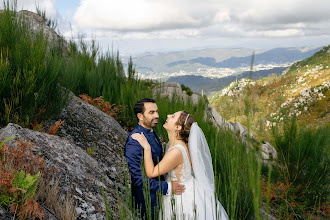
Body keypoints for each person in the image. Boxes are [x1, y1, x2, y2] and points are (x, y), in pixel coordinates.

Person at [132, 110, 229, 220]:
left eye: (172, 116)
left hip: (180, 196)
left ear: (178, 127)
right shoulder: (178, 145)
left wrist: (146, 147)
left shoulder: (176, 151)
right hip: (187, 188)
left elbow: (151, 173)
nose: (168, 115)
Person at [125, 98, 185, 219]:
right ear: (140, 116)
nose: (157, 115)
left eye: (157, 111)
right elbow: (138, 179)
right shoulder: (135, 141)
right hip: (149, 202)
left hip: (161, 197)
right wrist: (167, 187)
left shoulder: (151, 131)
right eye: (151, 112)